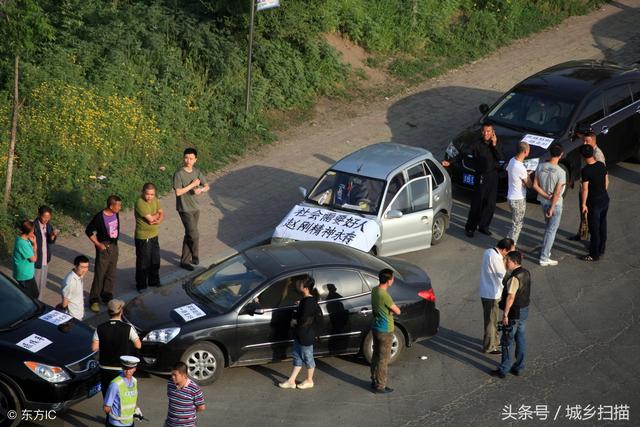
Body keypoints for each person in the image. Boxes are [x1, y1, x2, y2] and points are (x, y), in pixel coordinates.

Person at [491, 251, 531, 378]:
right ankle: (519, 367)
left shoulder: (514, 278)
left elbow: (511, 297)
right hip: (524, 310)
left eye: (507, 261)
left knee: (506, 341)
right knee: (520, 338)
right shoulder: (526, 272)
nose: (505, 263)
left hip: (514, 313)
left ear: (514, 261)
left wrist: (505, 315)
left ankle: (504, 369)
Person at [92, 299, 142, 399]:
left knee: (107, 396)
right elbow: (138, 345)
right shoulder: (128, 328)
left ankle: (108, 414)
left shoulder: (100, 328)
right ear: (121, 311)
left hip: (105, 367)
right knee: (120, 396)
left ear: (108, 312)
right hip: (121, 368)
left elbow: (94, 348)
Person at [279, 276, 321, 390]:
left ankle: (309, 380)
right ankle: (291, 380)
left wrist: (294, 321)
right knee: (297, 356)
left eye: (301, 283)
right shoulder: (305, 300)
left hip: (305, 335)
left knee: (308, 358)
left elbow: (304, 318)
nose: (298, 284)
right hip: (300, 334)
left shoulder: (309, 302)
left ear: (306, 288)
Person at [465, 122, 504, 237]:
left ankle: (484, 226)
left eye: (488, 131)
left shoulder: (496, 143)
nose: (486, 133)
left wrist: (495, 144)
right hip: (481, 176)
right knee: (477, 203)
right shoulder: (477, 144)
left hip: (493, 176)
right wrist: (450, 161)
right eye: (484, 131)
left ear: (493, 132)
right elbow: (465, 153)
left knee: (490, 204)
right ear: (481, 132)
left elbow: (501, 158)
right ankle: (470, 227)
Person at [173, 148, 209, 271]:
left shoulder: (197, 172)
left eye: (191, 158)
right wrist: (192, 185)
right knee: (194, 234)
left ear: (195, 160)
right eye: (186, 158)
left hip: (195, 208)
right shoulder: (179, 174)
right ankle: (195, 255)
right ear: (183, 158)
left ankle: (184, 261)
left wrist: (201, 190)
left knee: (189, 233)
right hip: (184, 208)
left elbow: (207, 186)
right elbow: (178, 192)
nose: (188, 160)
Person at [86, 195, 122, 312]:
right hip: (104, 246)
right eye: (118, 205)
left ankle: (107, 296)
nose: (120, 208)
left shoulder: (115, 213)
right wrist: (98, 244)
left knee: (111, 273)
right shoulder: (99, 217)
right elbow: (89, 231)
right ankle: (94, 299)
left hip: (114, 245)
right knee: (100, 274)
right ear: (111, 206)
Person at [532, 143, 566, 266]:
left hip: (543, 201)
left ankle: (546, 251)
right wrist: (552, 207)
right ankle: (544, 257)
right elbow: (557, 193)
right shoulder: (561, 172)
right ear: (561, 154)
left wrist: (545, 196)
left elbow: (535, 185)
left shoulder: (540, 166)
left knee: (548, 228)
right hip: (554, 205)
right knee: (551, 230)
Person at [479, 238, 515, 355]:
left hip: (487, 291)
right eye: (510, 252)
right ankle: (489, 346)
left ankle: (494, 341)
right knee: (491, 321)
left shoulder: (489, 251)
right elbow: (503, 276)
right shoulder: (495, 258)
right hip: (491, 294)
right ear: (504, 250)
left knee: (492, 320)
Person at [569, 132, 605, 241]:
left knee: (592, 217)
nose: (584, 143)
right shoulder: (586, 150)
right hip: (584, 186)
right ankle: (582, 233)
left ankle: (592, 240)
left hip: (591, 191)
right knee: (583, 213)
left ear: (594, 141)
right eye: (583, 141)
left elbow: (603, 175)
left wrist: (599, 193)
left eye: (587, 141)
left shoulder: (598, 155)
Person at [370, 268, 401, 394]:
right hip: (386, 330)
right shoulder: (385, 296)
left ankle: (373, 380)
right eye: (392, 278)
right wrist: (390, 311)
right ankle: (381, 385)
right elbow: (398, 311)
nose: (393, 280)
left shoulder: (375, 290)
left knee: (375, 356)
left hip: (376, 327)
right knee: (383, 360)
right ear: (388, 281)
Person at [579, 144, 609, 261]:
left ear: (583, 156)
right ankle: (602, 248)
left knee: (594, 228)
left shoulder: (586, 170)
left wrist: (583, 204)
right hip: (604, 199)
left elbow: (585, 189)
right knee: (603, 224)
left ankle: (594, 254)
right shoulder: (601, 165)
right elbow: (606, 181)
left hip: (594, 202)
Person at [134, 183, 164, 292]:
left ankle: (154, 281)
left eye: (152, 194)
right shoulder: (140, 203)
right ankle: (141, 285)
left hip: (154, 235)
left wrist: (158, 219)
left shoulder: (155, 199)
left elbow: (161, 213)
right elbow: (150, 220)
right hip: (143, 237)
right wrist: (156, 216)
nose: (150, 197)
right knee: (143, 262)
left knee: (155, 260)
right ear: (143, 192)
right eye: (148, 194)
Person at [103, 355, 143, 427]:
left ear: (135, 369)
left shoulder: (134, 381)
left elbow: (131, 399)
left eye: (130, 368)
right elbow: (106, 408)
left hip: (130, 422)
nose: (128, 371)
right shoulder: (115, 384)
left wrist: (136, 409)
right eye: (125, 368)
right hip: (116, 424)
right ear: (122, 367)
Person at [505, 141, 532, 245]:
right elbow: (529, 184)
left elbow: (510, 171)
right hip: (518, 199)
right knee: (517, 225)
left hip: (510, 197)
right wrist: (528, 174)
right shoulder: (521, 168)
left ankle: (508, 242)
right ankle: (511, 246)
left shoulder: (512, 160)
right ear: (525, 151)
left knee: (514, 224)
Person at [166, 362, 206, 427]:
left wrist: (188, 412)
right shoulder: (170, 383)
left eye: (175, 375)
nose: (172, 377)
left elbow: (201, 407)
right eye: (172, 374)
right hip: (170, 423)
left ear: (184, 375)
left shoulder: (194, 388)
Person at [33, 205, 59, 297]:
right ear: (39, 215)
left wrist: (52, 235)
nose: (46, 220)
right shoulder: (34, 226)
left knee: (42, 283)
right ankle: (34, 302)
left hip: (45, 258)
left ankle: (39, 302)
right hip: (37, 259)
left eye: (48, 218)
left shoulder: (48, 225)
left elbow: (50, 241)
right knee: (34, 284)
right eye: (44, 217)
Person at [12, 219, 39, 299]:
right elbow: (33, 259)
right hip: (24, 276)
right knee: (28, 298)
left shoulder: (24, 240)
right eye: (32, 230)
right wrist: (35, 246)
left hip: (28, 274)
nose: (33, 232)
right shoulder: (22, 243)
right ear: (29, 232)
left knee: (35, 294)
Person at [60, 255, 90, 320]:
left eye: (86, 267)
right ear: (76, 266)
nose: (85, 270)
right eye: (82, 267)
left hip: (78, 314)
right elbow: (65, 302)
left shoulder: (79, 275)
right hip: (73, 317)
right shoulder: (70, 282)